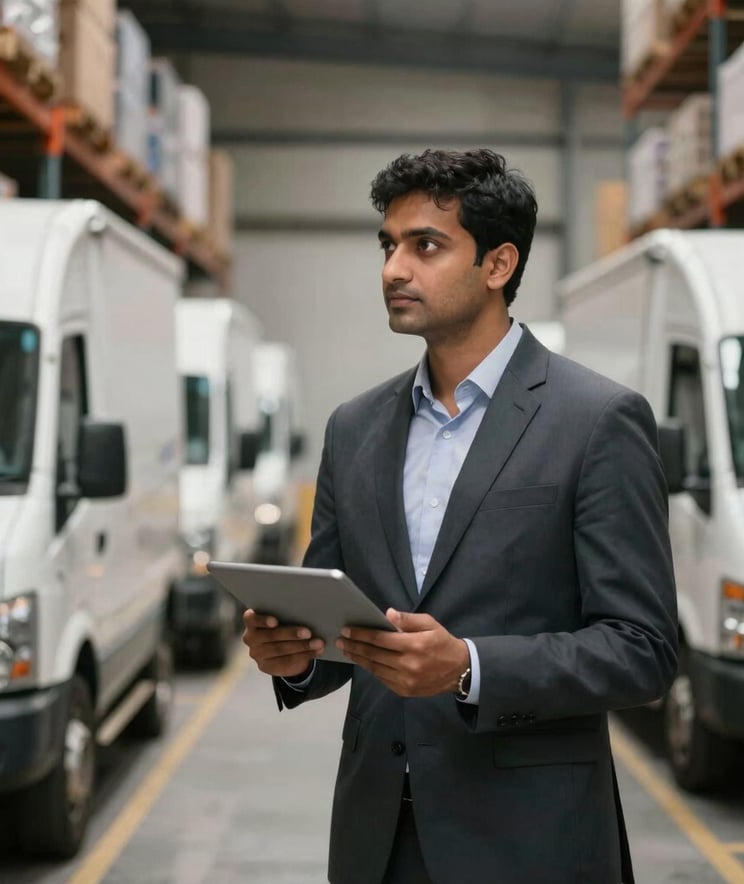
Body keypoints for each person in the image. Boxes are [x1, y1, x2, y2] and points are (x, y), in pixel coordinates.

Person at [243, 148, 678, 884]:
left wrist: (471, 668)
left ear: (498, 264)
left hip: (530, 842)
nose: (394, 269)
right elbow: (340, 623)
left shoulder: (597, 421)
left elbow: (643, 650)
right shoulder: (354, 428)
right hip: (378, 838)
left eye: (426, 246)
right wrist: (298, 658)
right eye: (388, 245)